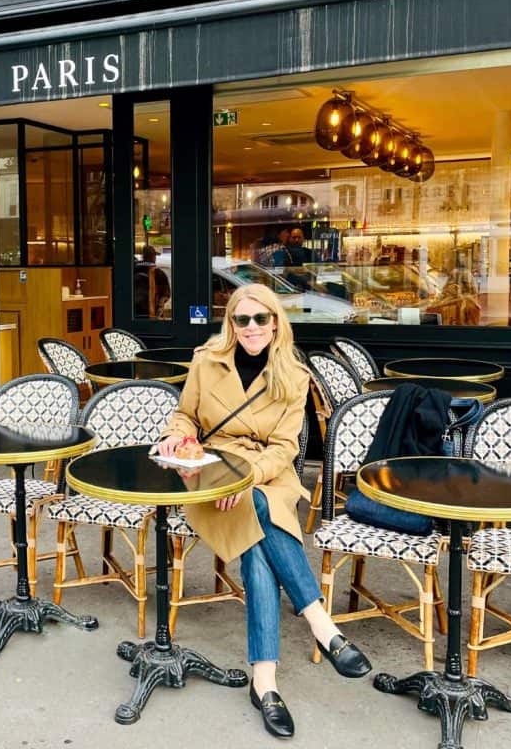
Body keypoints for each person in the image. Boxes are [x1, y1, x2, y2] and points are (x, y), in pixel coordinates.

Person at [155, 283, 370, 738]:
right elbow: (186, 415)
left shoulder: (293, 376)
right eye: (241, 319)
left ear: (275, 321)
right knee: (257, 524)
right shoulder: (206, 359)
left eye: (259, 319)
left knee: (256, 531)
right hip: (211, 473)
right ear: (230, 323)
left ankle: (265, 682)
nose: (251, 328)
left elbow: (286, 450)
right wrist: (177, 434)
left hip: (267, 477)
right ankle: (320, 625)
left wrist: (246, 476)